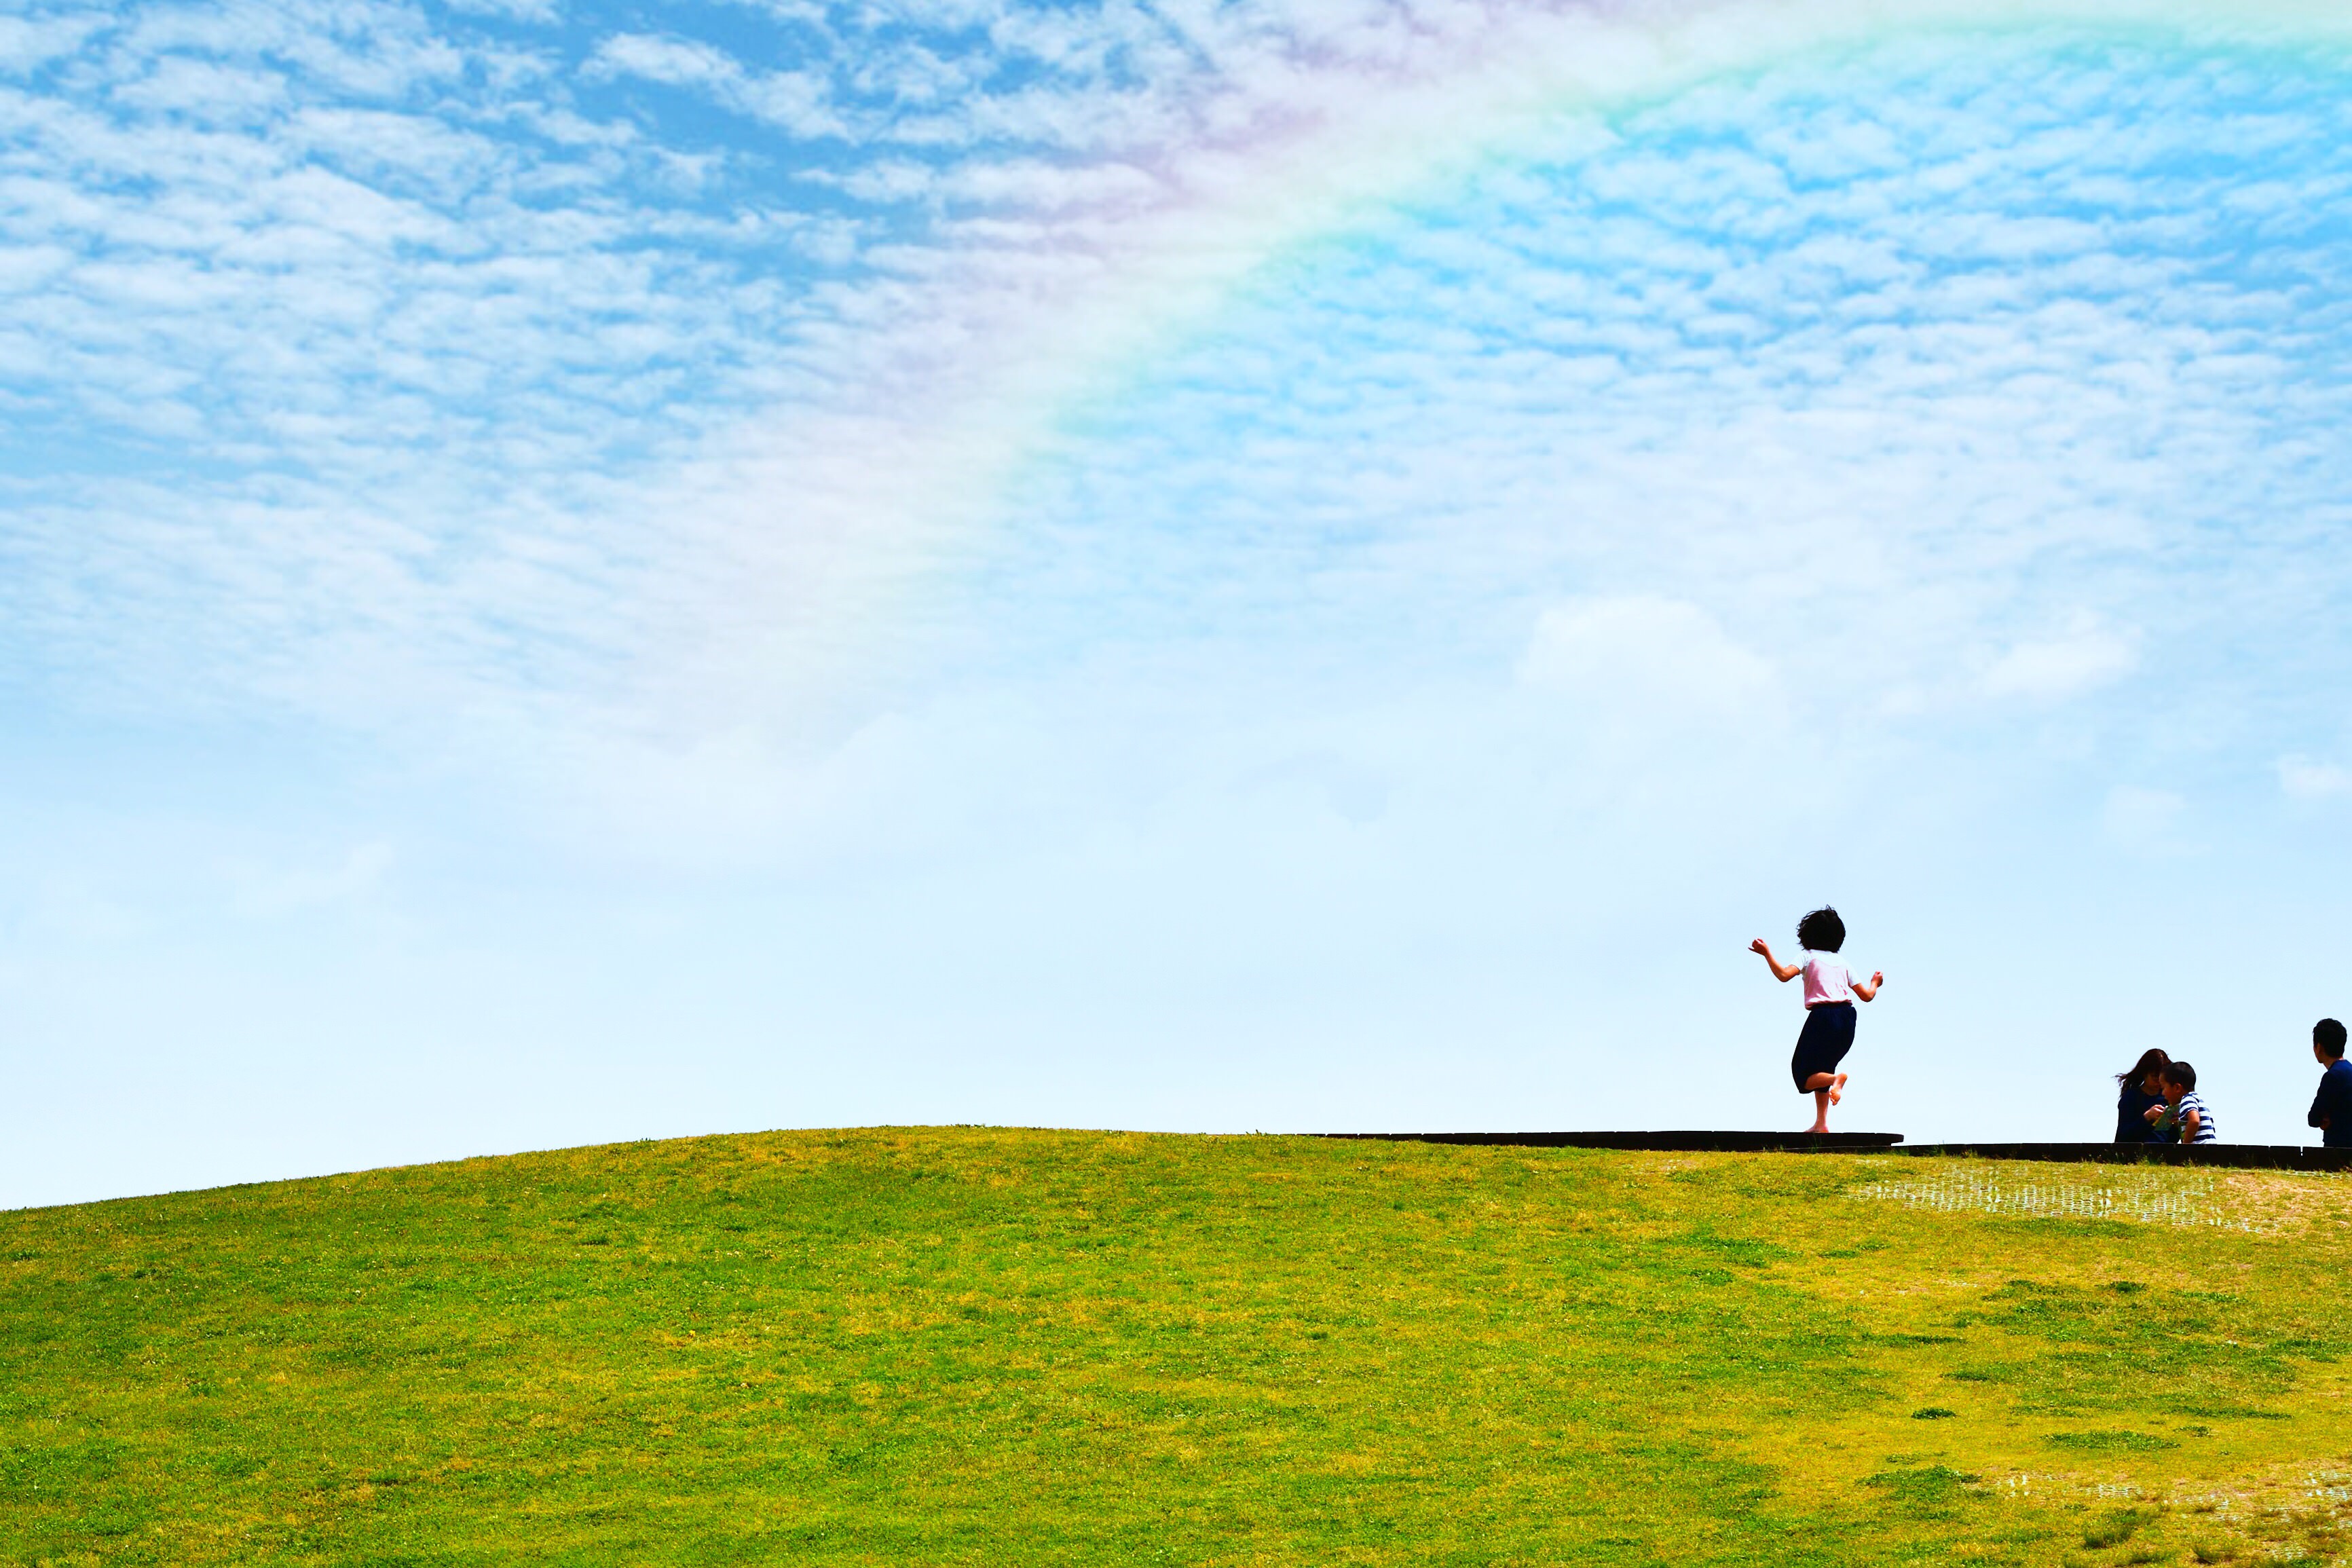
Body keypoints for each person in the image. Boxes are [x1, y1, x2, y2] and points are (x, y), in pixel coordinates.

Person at [1751, 906, 1883, 1134]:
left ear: (1807, 935)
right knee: (1823, 1067)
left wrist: (1766, 953)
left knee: (1802, 1074)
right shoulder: (1844, 963)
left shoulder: (1807, 956)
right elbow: (1867, 996)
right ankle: (1822, 1123)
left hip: (1823, 1017)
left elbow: (1783, 975)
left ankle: (1836, 1079)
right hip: (1847, 1018)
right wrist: (1875, 983)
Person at [2309, 1018, 2352, 1149]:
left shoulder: (2332, 1077)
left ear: (2319, 1047)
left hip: (2338, 1151)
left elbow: (2313, 1119)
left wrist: (2328, 1118)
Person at [2113, 1048, 2172, 1144]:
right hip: (2137, 1152)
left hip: (2163, 1152)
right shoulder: (2131, 1097)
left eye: (2162, 1078)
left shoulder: (2167, 1098)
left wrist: (2176, 1124)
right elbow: (2122, 1136)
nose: (2158, 1082)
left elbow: (2169, 1137)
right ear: (2145, 1073)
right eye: (2155, 1077)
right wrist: (2147, 1117)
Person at [2159, 1061, 2216, 1144]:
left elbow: (2194, 1121)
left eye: (2163, 1088)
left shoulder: (2186, 1100)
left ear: (2177, 1088)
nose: (2162, 1093)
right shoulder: (2196, 1099)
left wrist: (2185, 1145)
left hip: (2201, 1147)